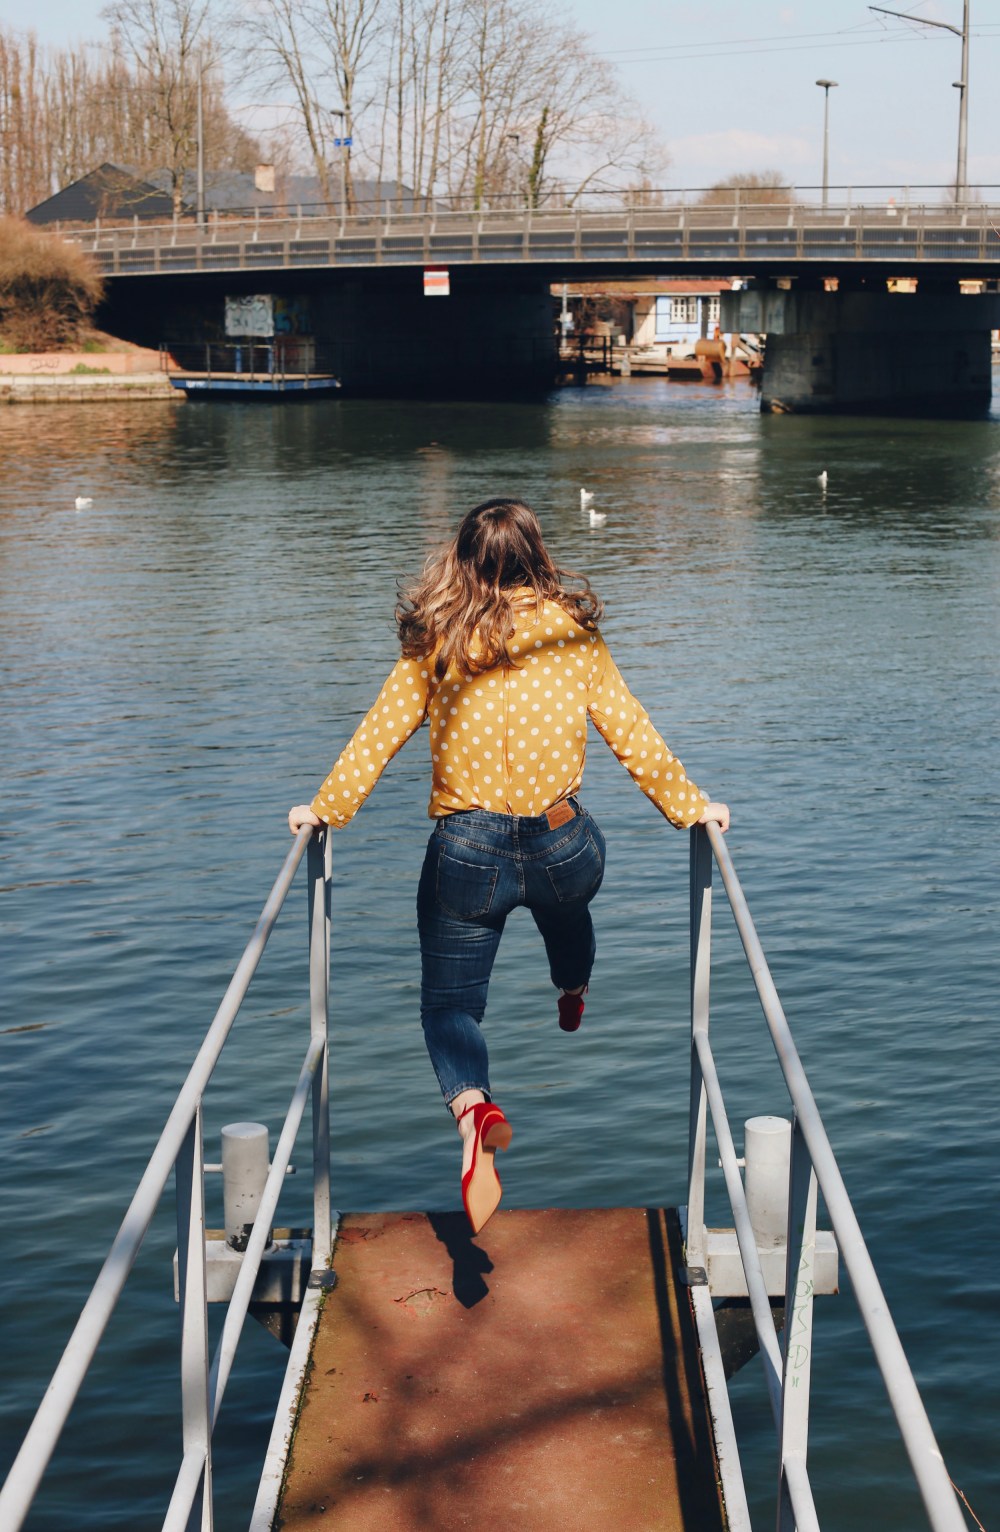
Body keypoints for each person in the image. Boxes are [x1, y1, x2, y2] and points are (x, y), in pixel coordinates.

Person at [289, 497, 729, 1235]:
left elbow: (379, 735)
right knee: (567, 907)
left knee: (450, 1006)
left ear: (464, 560)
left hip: (468, 851)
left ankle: (473, 1107)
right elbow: (633, 735)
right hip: (564, 845)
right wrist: (692, 808)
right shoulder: (574, 636)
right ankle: (573, 986)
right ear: (537, 557)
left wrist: (325, 810)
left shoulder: (437, 637)